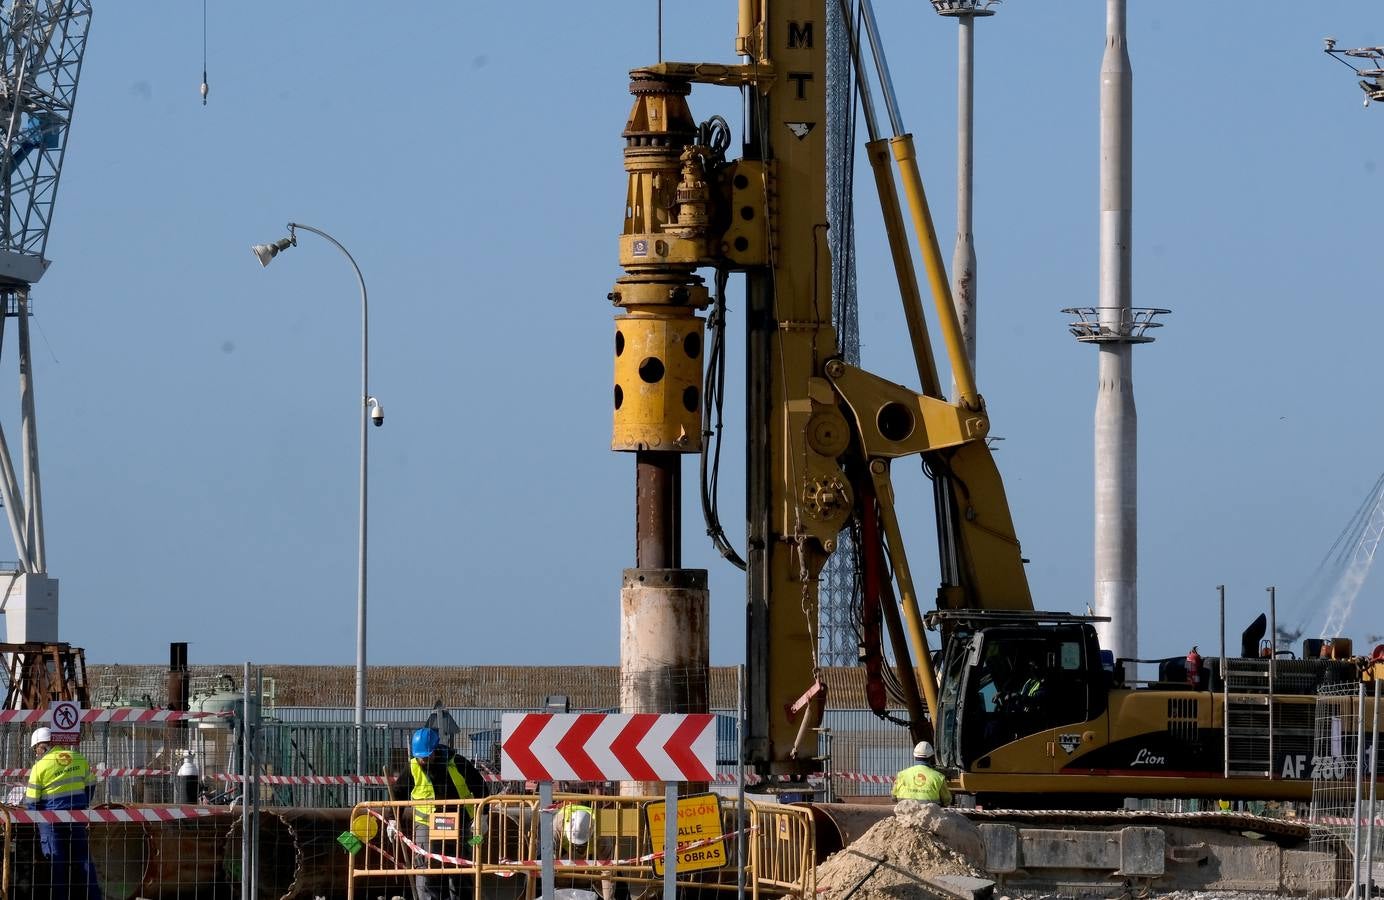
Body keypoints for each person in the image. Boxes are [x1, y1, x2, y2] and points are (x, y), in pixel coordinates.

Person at [391, 726, 485, 900]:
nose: (422, 761)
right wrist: (393, 820)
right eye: (419, 757)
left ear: (435, 750)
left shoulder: (457, 763)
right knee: (426, 869)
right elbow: (398, 794)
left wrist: (483, 816)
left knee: (460, 867)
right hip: (426, 823)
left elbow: (480, 788)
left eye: (426, 757)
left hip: (460, 823)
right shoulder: (412, 767)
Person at [25, 726, 102, 900]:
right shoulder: (78, 758)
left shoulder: (40, 767)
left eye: (35, 749)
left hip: (51, 822)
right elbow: (90, 785)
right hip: (77, 818)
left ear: (41, 746)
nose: (36, 753)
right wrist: (80, 805)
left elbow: (31, 802)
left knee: (56, 865)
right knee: (84, 861)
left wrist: (39, 820)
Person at [891, 740, 951, 806]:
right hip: (929, 813)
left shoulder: (901, 775)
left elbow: (893, 797)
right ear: (931, 757)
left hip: (905, 812)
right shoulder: (939, 777)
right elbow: (947, 800)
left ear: (915, 756)